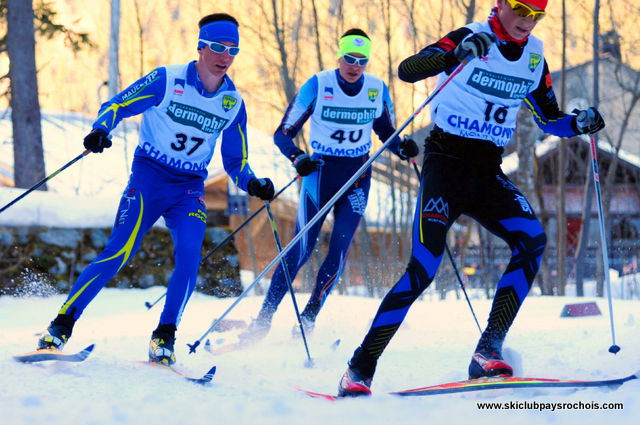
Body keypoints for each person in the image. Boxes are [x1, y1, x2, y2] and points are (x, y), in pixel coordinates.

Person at [338, 0, 605, 396]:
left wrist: (579, 122)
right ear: (499, 4)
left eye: (536, 14)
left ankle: (487, 350)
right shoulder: (470, 36)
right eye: (519, 8)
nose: (525, 20)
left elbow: (550, 119)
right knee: (423, 269)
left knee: (532, 239)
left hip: (487, 172)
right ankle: (359, 369)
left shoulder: (534, 57)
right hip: (446, 164)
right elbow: (406, 70)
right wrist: (455, 53)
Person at [36, 13, 275, 366]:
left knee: (190, 256)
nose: (225, 57)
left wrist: (253, 182)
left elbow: (236, 161)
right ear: (202, 47)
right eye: (218, 48)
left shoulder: (233, 103)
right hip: (149, 177)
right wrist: (101, 129)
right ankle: (61, 325)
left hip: (189, 188)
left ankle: (165, 336)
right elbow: (117, 104)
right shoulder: (168, 79)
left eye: (232, 50)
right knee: (119, 253)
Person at [240, 28, 419, 341]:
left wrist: (402, 147)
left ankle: (308, 318)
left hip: (358, 176)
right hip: (320, 175)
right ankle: (263, 319)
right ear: (339, 56)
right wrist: (298, 158)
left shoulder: (377, 88)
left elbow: (386, 131)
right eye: (349, 58)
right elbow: (283, 133)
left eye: (362, 60)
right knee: (302, 249)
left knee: (339, 250)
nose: (354, 65)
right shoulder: (318, 85)